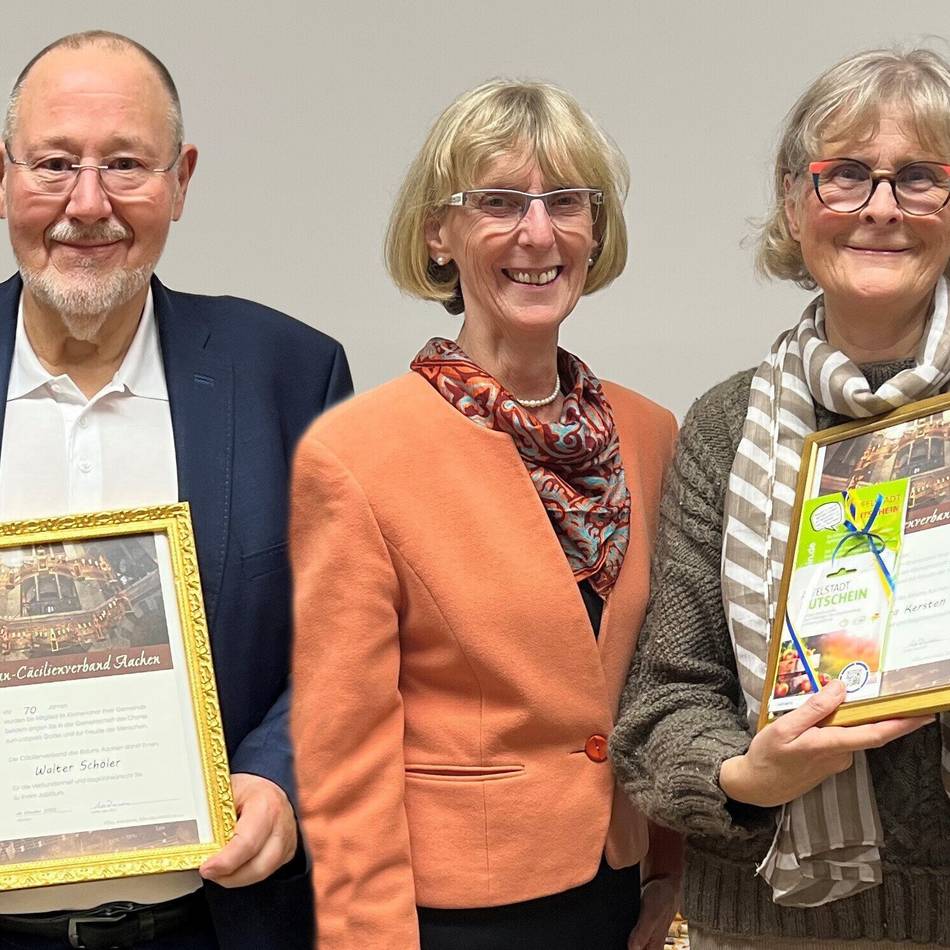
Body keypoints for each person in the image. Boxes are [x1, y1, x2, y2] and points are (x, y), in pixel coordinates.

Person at [290, 79, 682, 950]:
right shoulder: (356, 453)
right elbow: (341, 751)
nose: (537, 233)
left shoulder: (653, 433)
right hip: (453, 918)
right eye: (499, 202)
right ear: (440, 233)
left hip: (620, 901)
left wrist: (668, 877)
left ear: (595, 230)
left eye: (566, 204)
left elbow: (667, 675)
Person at [0, 31, 351, 950]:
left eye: (125, 165)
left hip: (216, 923)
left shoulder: (288, 374)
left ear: (181, 179)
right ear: (3, 174)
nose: (87, 204)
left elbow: (347, 633)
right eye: (53, 164)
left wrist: (282, 775)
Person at [610, 47, 950, 950]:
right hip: (762, 927)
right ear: (797, 205)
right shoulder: (725, 426)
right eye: (845, 177)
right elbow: (666, 700)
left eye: (920, 178)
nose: (881, 208)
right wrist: (746, 778)